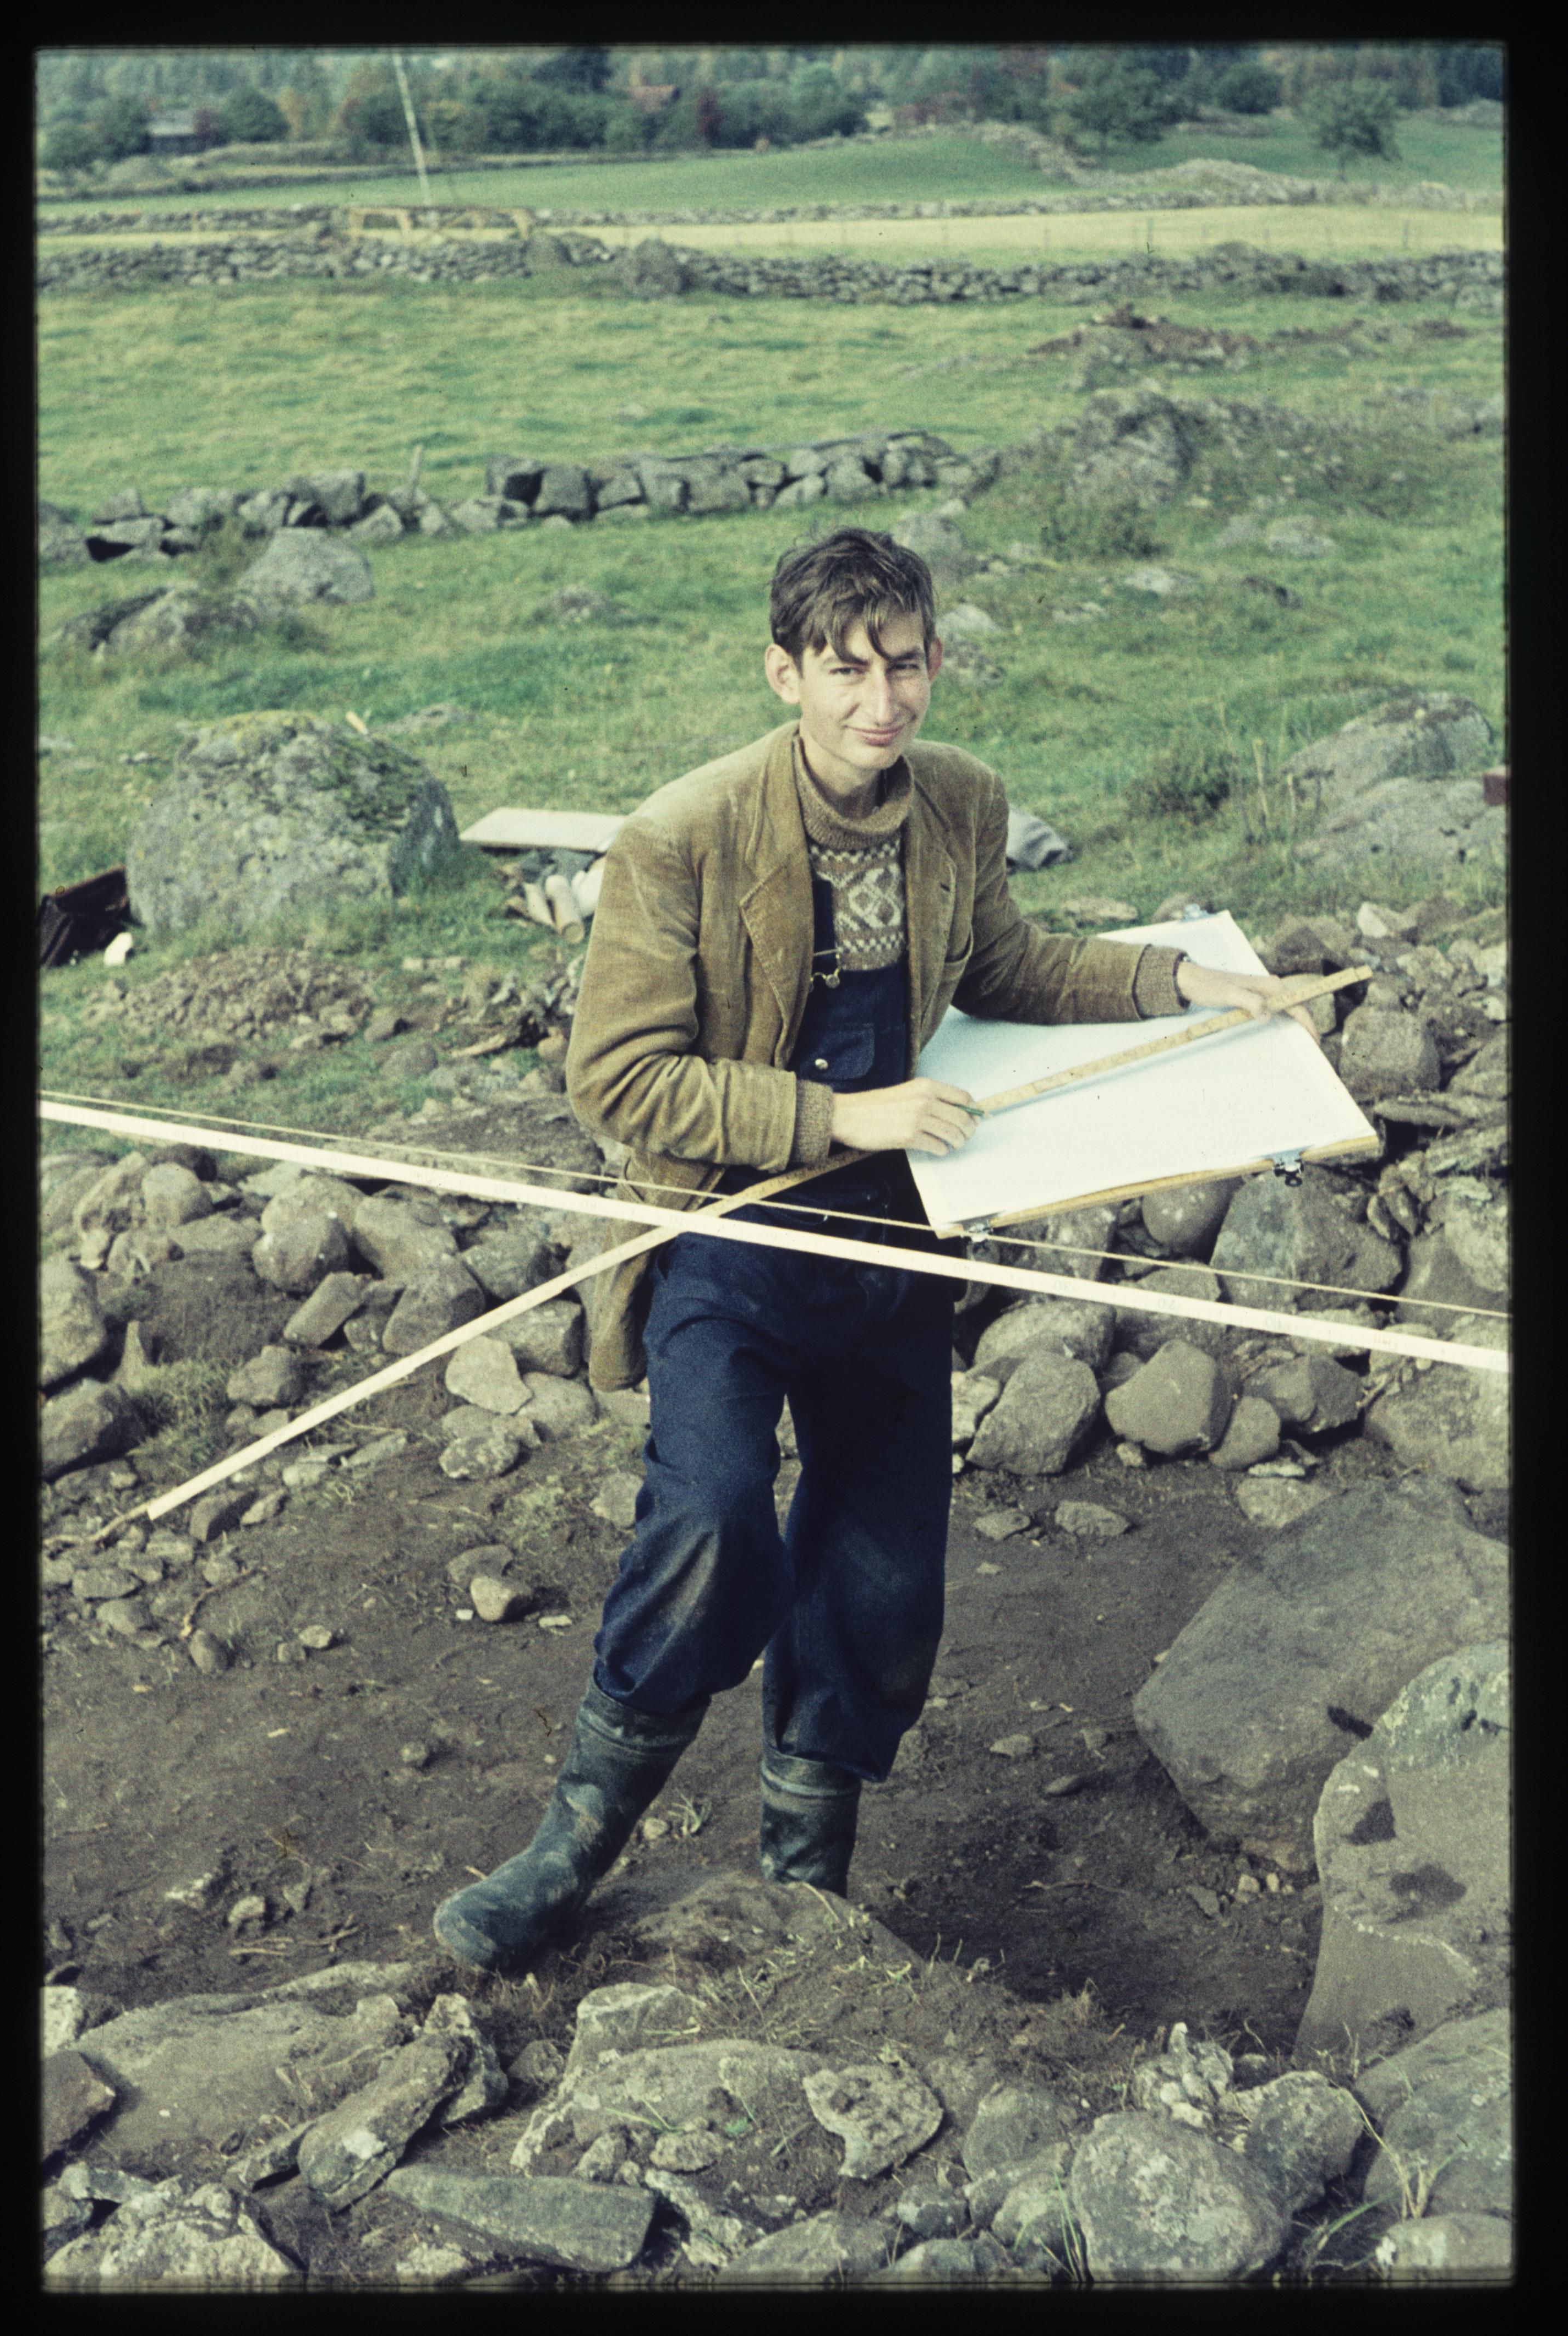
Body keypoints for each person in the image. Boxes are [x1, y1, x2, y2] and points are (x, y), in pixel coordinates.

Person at [432, 526, 1317, 1975]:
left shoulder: (959, 802)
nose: (881, 701)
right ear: (783, 673)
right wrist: (841, 1112)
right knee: (712, 1519)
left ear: (935, 659)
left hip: (894, 1242)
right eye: (845, 671)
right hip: (727, 1237)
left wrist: (1184, 980)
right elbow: (618, 1079)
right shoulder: (680, 836)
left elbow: (1008, 967)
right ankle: (567, 1852)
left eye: (903, 665)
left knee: (881, 1574)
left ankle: (803, 1892)